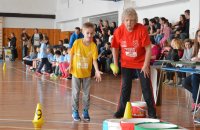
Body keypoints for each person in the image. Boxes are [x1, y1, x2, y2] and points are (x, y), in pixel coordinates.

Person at [111, 7, 157, 118]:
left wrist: (146, 65)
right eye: (126, 20)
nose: (129, 23)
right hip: (126, 63)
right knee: (125, 87)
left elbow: (148, 49)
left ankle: (152, 112)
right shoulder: (119, 31)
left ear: (135, 20)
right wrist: (116, 63)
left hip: (141, 62)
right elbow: (115, 48)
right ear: (123, 20)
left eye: (131, 20)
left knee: (146, 87)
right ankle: (121, 111)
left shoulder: (141, 29)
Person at [68, 22, 103, 121]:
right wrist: (70, 64)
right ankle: (75, 111)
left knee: (87, 94)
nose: (89, 35)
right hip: (76, 73)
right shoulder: (77, 42)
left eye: (91, 33)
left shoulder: (93, 46)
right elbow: (72, 54)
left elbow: (94, 60)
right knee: (75, 93)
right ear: (83, 32)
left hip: (87, 74)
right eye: (87, 33)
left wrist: (96, 71)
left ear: (94, 33)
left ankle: (85, 111)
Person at [182, 29, 200, 113]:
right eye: (198, 36)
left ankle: (197, 102)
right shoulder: (197, 48)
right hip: (196, 71)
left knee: (194, 77)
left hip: (197, 73)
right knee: (185, 82)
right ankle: (198, 98)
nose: (199, 37)